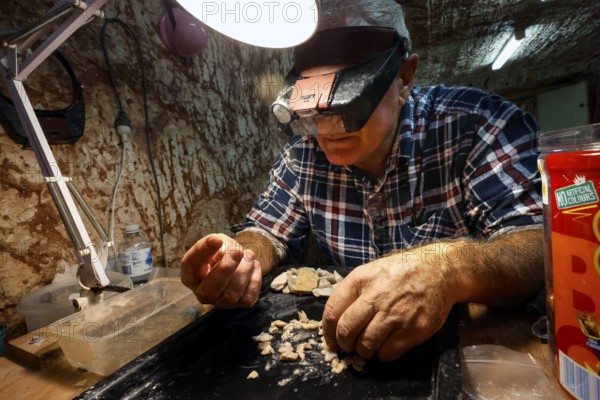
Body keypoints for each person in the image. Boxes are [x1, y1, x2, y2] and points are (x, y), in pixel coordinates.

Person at [181, 0, 544, 362]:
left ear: (404, 78)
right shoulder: (303, 155)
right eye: (314, 110)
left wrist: (446, 266)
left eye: (349, 106)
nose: (328, 128)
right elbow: (266, 232)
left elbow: (537, 245)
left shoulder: (480, 125)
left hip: (467, 354)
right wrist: (237, 258)